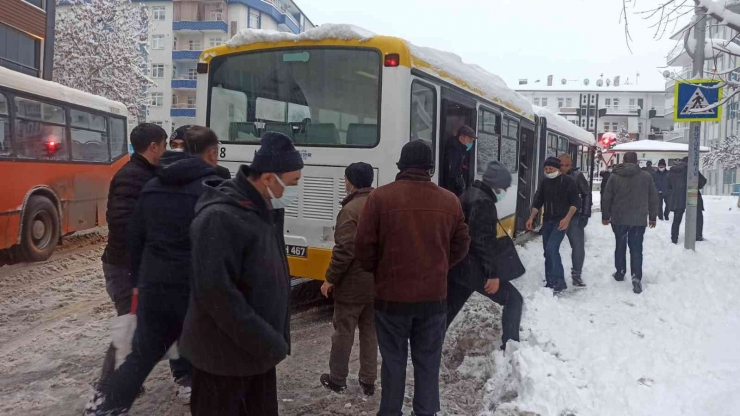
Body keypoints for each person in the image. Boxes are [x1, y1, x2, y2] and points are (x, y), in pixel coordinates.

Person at [84, 127, 223, 415]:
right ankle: (191, 388)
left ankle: (106, 402)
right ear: (211, 153)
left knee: (143, 349)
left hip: (154, 283)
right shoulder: (212, 187)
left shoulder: (153, 183)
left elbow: (136, 237)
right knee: (202, 349)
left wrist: (141, 279)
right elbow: (219, 244)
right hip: (189, 286)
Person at [179, 132, 303, 416]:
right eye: (294, 181)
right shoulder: (220, 217)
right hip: (222, 361)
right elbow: (217, 294)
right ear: (270, 178)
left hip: (255, 356)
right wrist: (267, 341)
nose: (296, 189)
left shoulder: (261, 210)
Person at [354, 140, 470, 416]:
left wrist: (381, 271)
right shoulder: (450, 200)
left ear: (401, 167)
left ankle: (391, 411)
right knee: (428, 362)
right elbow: (462, 244)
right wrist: (440, 266)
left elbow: (363, 247)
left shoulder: (380, 198)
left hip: (390, 299)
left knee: (393, 362)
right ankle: (426, 411)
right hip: (433, 300)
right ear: (429, 168)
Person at [97, 123, 167, 388]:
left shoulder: (142, 172)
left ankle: (124, 382)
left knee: (137, 324)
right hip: (126, 267)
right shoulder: (133, 175)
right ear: (153, 147)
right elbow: (121, 222)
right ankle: (107, 389)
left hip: (129, 264)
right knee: (129, 324)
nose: (165, 150)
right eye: (164, 145)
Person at [447, 161, 523, 349]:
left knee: (447, 311)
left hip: (459, 266)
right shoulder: (483, 202)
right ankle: (511, 345)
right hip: (473, 268)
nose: (504, 191)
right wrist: (492, 274)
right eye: (504, 187)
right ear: (497, 186)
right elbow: (481, 241)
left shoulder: (470, 193)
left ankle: (427, 348)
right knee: (514, 300)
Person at [319, 162, 377, 396]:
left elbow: (345, 249)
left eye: (345, 179)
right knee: (370, 332)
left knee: (343, 331)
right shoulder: (380, 204)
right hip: (377, 283)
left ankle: (337, 379)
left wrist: (330, 279)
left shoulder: (350, 210)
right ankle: (368, 380)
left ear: (351, 182)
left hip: (353, 284)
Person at [601, 152, 658, 294]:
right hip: (638, 219)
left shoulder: (614, 176)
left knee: (620, 245)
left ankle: (620, 272)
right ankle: (636, 277)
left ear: (623, 161)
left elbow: (607, 197)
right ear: (637, 161)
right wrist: (652, 217)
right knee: (636, 248)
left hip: (619, 218)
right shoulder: (646, 176)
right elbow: (653, 197)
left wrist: (605, 215)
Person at [526, 157, 580, 293]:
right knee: (547, 251)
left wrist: (567, 219)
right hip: (547, 220)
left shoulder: (569, 182)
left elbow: (575, 203)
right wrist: (531, 217)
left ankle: (559, 281)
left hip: (561, 221)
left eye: (551, 168)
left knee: (551, 248)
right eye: (546, 169)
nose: (548, 171)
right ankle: (551, 281)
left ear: (558, 168)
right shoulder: (545, 182)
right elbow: (538, 201)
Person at [558, 154, 591, 287]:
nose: (564, 168)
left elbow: (586, 194)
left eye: (567, 165)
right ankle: (554, 274)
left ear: (571, 165)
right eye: (561, 165)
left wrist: (585, 214)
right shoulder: (551, 175)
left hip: (574, 217)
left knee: (578, 246)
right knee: (552, 248)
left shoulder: (577, 176)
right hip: (556, 217)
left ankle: (576, 274)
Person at [667, 156, 707, 244]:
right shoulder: (692, 169)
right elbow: (703, 180)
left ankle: (674, 238)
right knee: (698, 216)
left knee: (677, 218)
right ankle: (698, 236)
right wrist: (696, 187)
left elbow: (668, 185)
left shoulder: (672, 170)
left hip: (677, 196)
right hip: (691, 193)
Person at [443, 125, 476, 196]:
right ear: (461, 138)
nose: (471, 143)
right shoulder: (454, 151)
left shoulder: (461, 150)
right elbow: (451, 174)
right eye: (470, 140)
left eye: (472, 141)